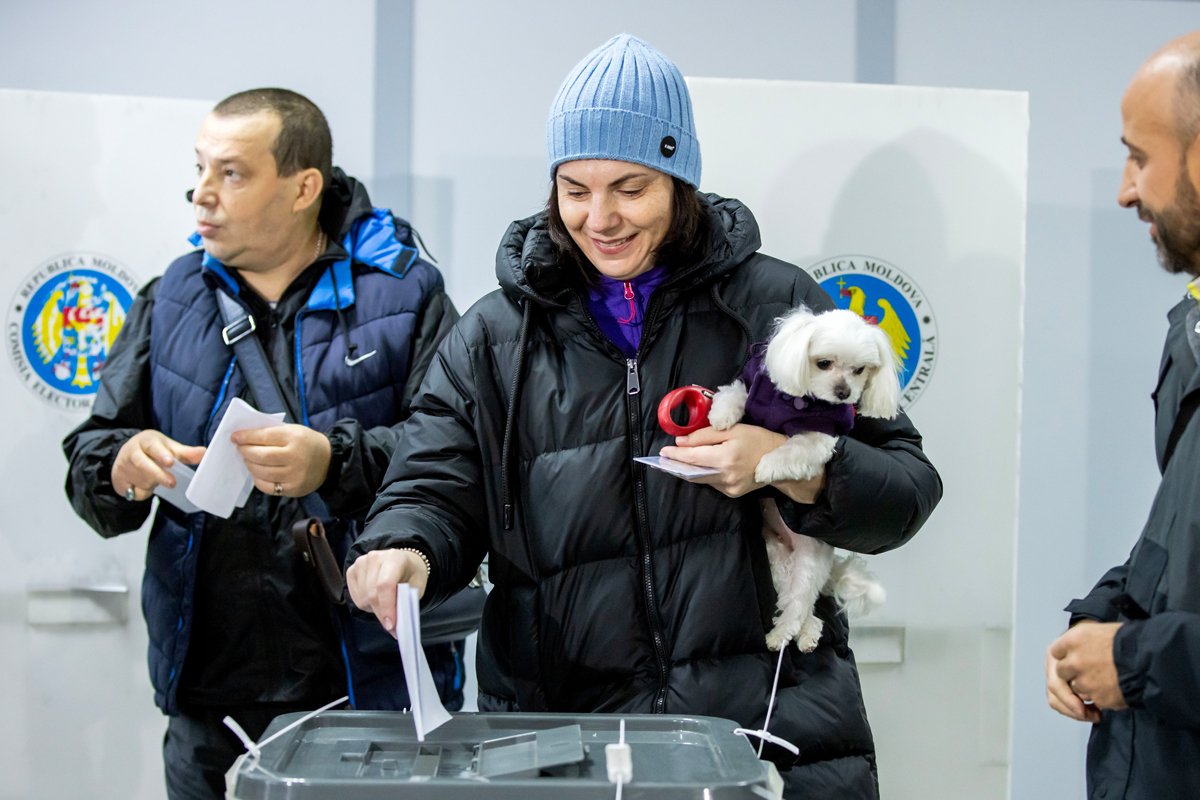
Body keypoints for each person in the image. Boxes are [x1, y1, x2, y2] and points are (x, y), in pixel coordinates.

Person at [346, 35, 941, 799]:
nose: (601, 218)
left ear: (679, 180)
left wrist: (792, 467)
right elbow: (432, 477)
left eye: (630, 187)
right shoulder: (497, 334)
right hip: (563, 738)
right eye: (575, 188)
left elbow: (906, 490)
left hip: (762, 733)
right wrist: (409, 550)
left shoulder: (771, 305)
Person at [62, 88, 463, 800]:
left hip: (362, 694)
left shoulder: (405, 297)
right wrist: (119, 466)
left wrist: (333, 461)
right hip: (207, 705)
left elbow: (453, 459)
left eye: (233, 174)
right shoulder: (173, 295)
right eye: (200, 169)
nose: (202, 196)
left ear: (304, 186)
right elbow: (93, 454)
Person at [1046, 31, 1200, 799]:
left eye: (1141, 155)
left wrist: (1135, 658)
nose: (1124, 190)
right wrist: (1103, 616)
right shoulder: (1192, 331)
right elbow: (1180, 546)